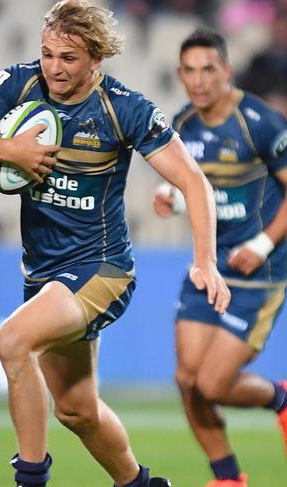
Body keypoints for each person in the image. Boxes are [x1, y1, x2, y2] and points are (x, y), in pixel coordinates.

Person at [0, 1, 229, 486]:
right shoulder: (20, 84)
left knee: (12, 341)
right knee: (76, 410)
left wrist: (206, 262)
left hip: (102, 268)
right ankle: (141, 484)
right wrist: (9, 151)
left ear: (96, 59)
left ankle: (30, 478)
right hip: (44, 274)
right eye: (47, 54)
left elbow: (194, 183)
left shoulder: (124, 107)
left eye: (68, 58)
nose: (54, 68)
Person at [153, 29, 287, 487]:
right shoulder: (181, 123)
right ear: (179, 75)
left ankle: (281, 398)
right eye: (189, 70)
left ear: (227, 72)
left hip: (259, 273)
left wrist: (264, 243)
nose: (198, 80)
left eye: (208, 69)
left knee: (212, 384)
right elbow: (190, 184)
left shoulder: (260, 122)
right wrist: (169, 194)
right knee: (188, 380)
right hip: (208, 266)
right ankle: (227, 478)